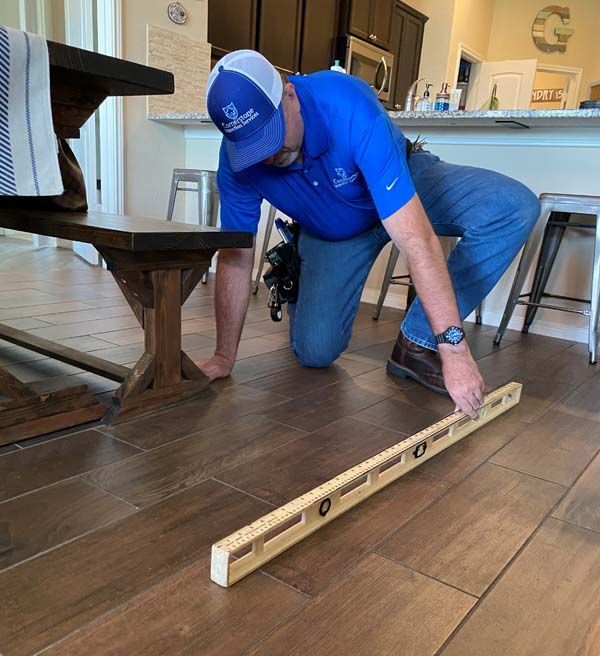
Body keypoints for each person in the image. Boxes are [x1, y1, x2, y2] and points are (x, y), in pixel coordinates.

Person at [200, 49, 540, 419]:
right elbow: (235, 257)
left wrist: (453, 352)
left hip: (405, 184)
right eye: (252, 147)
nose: (266, 155)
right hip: (334, 229)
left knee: (513, 207)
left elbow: (416, 239)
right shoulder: (237, 160)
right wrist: (223, 356)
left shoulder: (347, 105)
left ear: (289, 93)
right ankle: (305, 257)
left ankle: (417, 341)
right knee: (315, 353)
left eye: (271, 135)